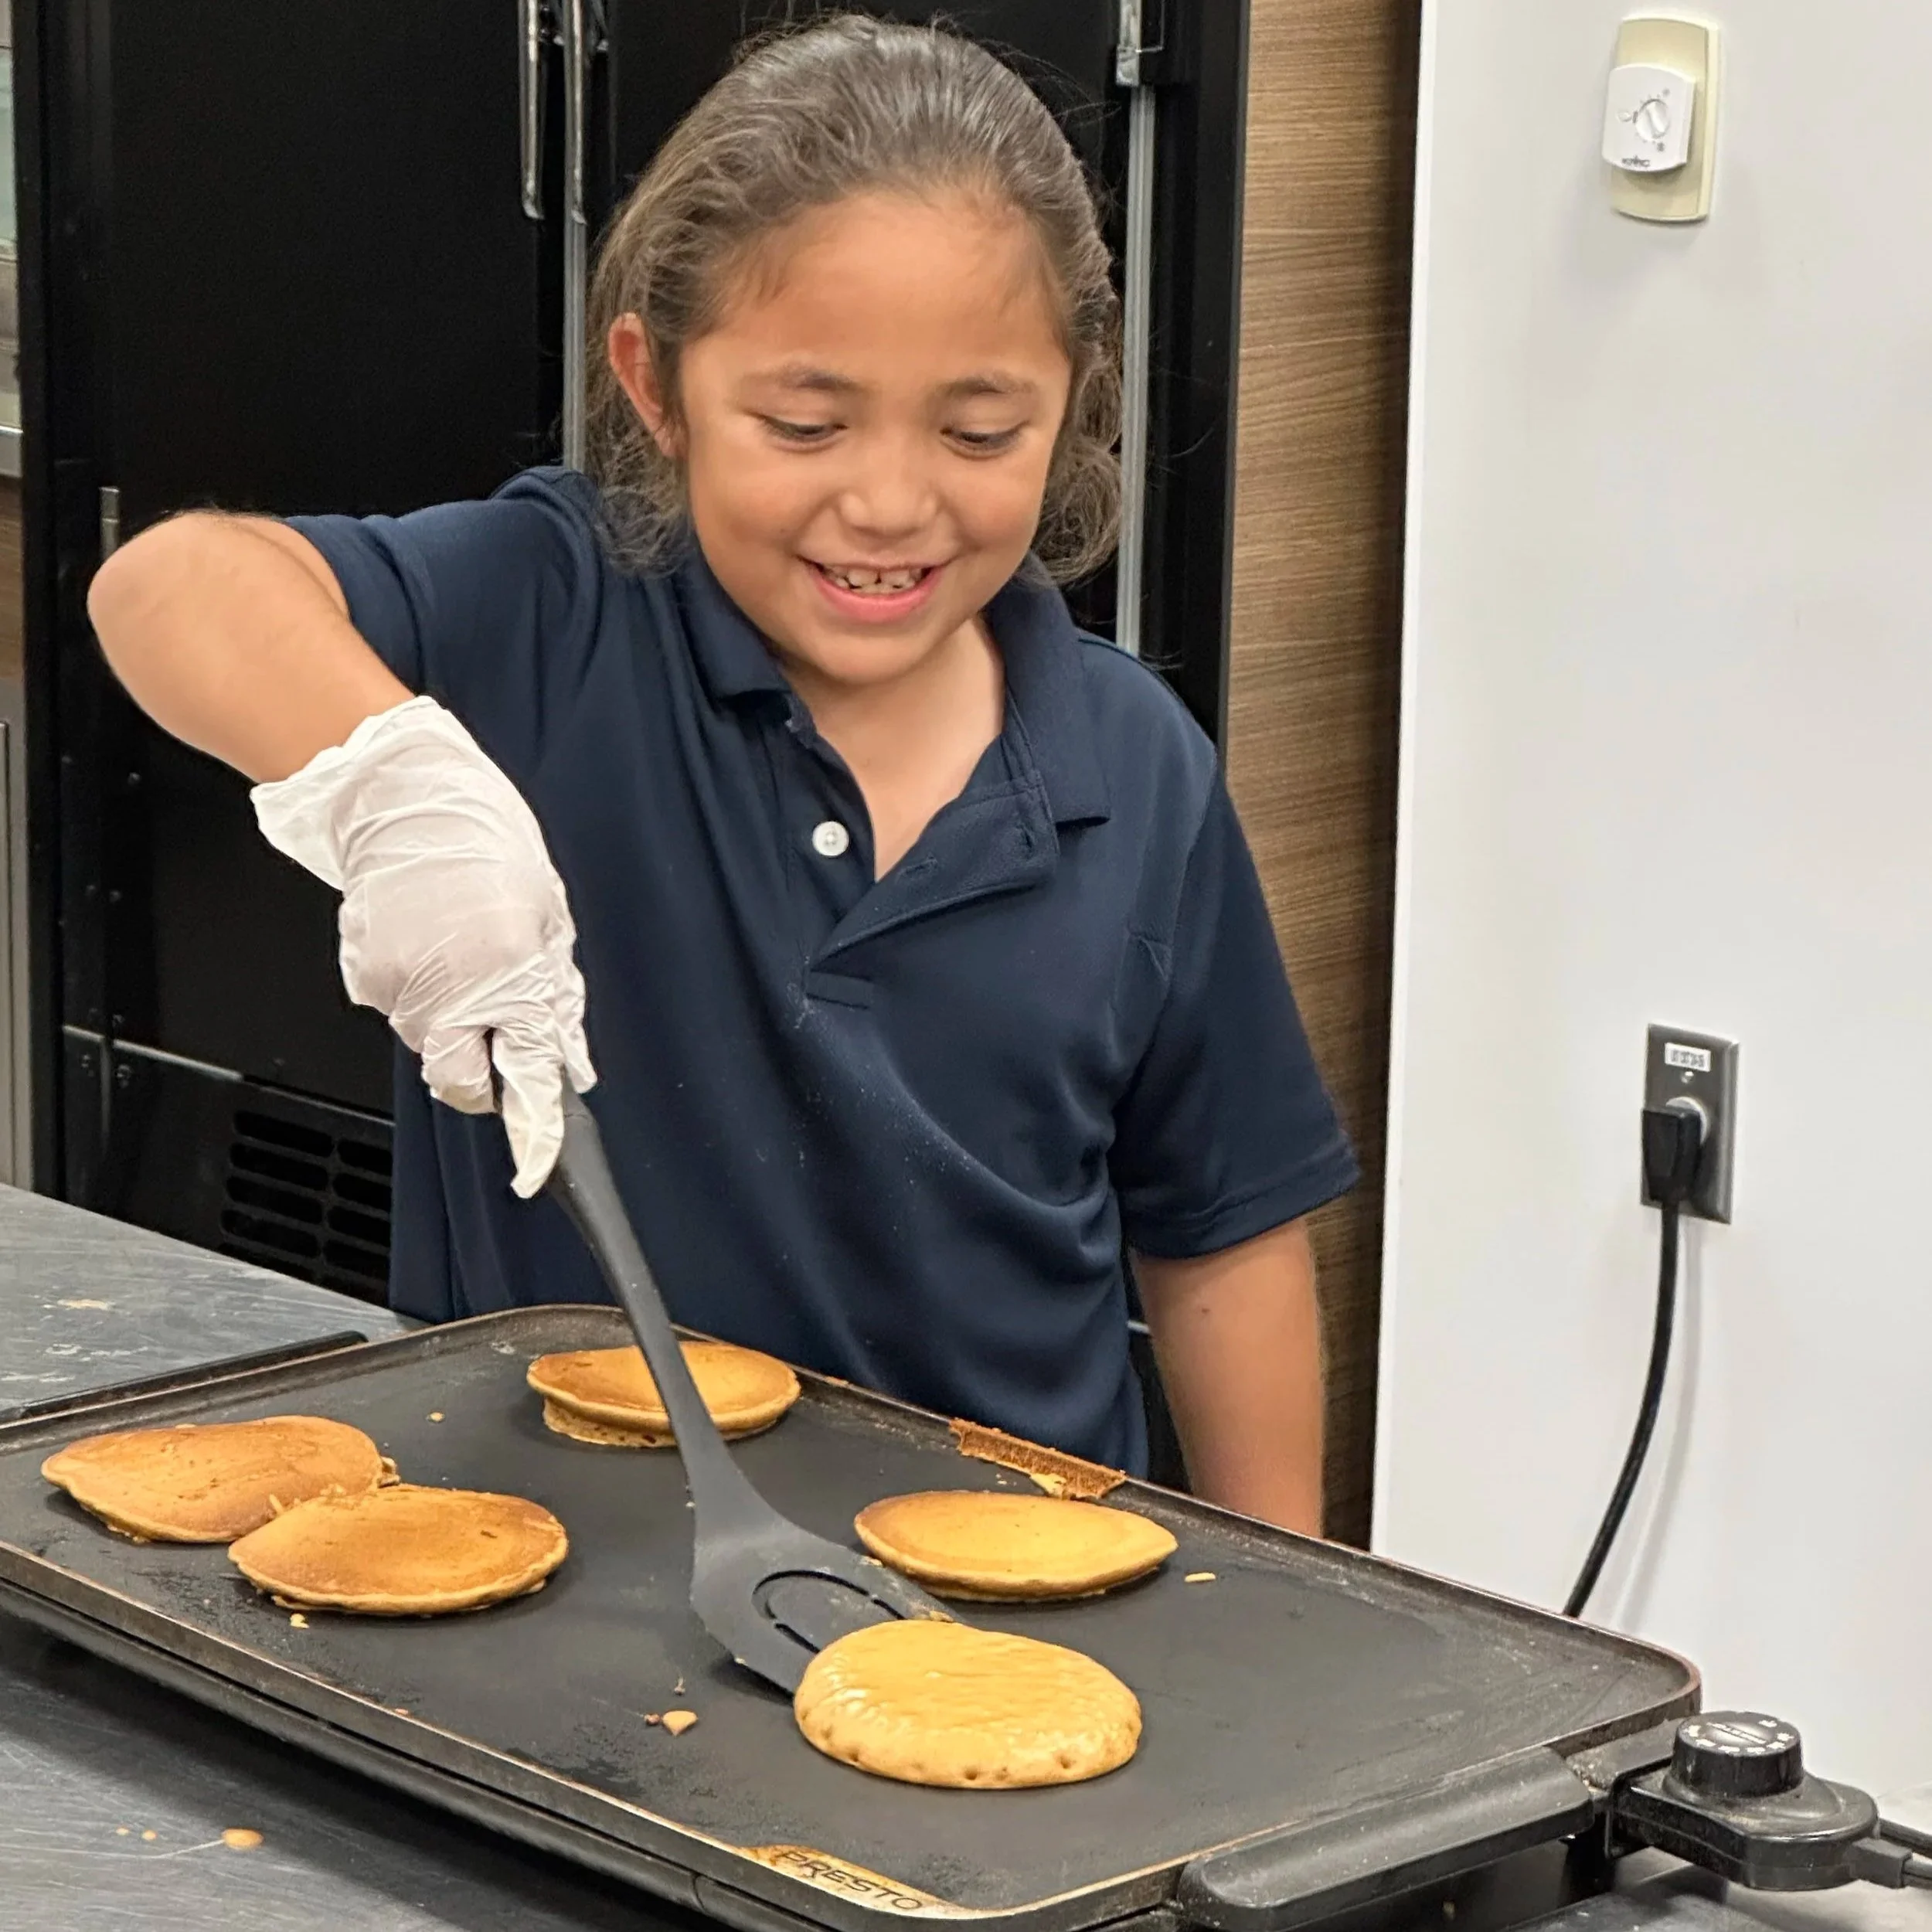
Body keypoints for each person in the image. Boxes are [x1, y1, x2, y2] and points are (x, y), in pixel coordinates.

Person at [87, 16, 1355, 1532]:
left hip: (1022, 1580)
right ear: (657, 385)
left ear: (1073, 401)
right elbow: (171, 586)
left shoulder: (1137, 768)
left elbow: (1221, 1236)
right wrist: (399, 789)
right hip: (538, 1572)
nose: (887, 501)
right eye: (804, 424)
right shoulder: (554, 611)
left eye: (978, 431)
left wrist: (1290, 1596)